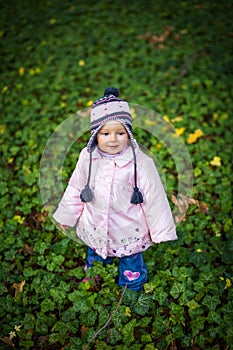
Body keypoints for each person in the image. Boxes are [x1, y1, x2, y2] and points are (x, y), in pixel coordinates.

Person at [53, 87, 177, 291]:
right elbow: (76, 187)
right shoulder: (87, 158)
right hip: (94, 223)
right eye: (106, 133)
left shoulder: (140, 163)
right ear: (95, 135)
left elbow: (154, 197)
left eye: (120, 133)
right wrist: (67, 216)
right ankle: (95, 275)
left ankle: (132, 285)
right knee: (96, 252)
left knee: (130, 258)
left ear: (128, 133)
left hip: (128, 226)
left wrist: (161, 230)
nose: (113, 139)